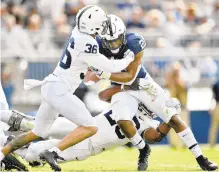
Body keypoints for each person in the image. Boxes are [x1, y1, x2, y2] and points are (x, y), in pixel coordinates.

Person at [0, 6, 134, 171]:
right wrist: (128, 59)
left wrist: (97, 68)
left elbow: (90, 64)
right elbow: (110, 66)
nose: (103, 26)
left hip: (52, 86)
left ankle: (2, 153)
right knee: (91, 127)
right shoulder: (88, 43)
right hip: (59, 90)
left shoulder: (77, 33)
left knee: (37, 132)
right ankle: (53, 151)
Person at [89, 14, 218, 171]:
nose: (114, 45)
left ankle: (200, 158)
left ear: (122, 34)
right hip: (123, 89)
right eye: (109, 42)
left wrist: (103, 73)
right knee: (122, 120)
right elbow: (92, 80)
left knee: (173, 119)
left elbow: (130, 76)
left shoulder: (134, 41)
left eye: (116, 40)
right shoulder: (98, 46)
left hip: (143, 84)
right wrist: (93, 71)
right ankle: (143, 149)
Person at [8, 103, 170, 168]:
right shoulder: (146, 121)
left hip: (85, 124)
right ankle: (15, 147)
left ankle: (11, 132)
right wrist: (170, 120)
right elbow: (155, 136)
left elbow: (153, 135)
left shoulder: (127, 101)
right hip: (90, 143)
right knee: (39, 154)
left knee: (38, 126)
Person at [209, 79, 219, 147]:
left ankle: (211, 143)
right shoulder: (216, 84)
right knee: (214, 126)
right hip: (217, 105)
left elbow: (212, 97)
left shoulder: (216, 84)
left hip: (217, 106)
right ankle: (211, 143)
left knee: (214, 126)